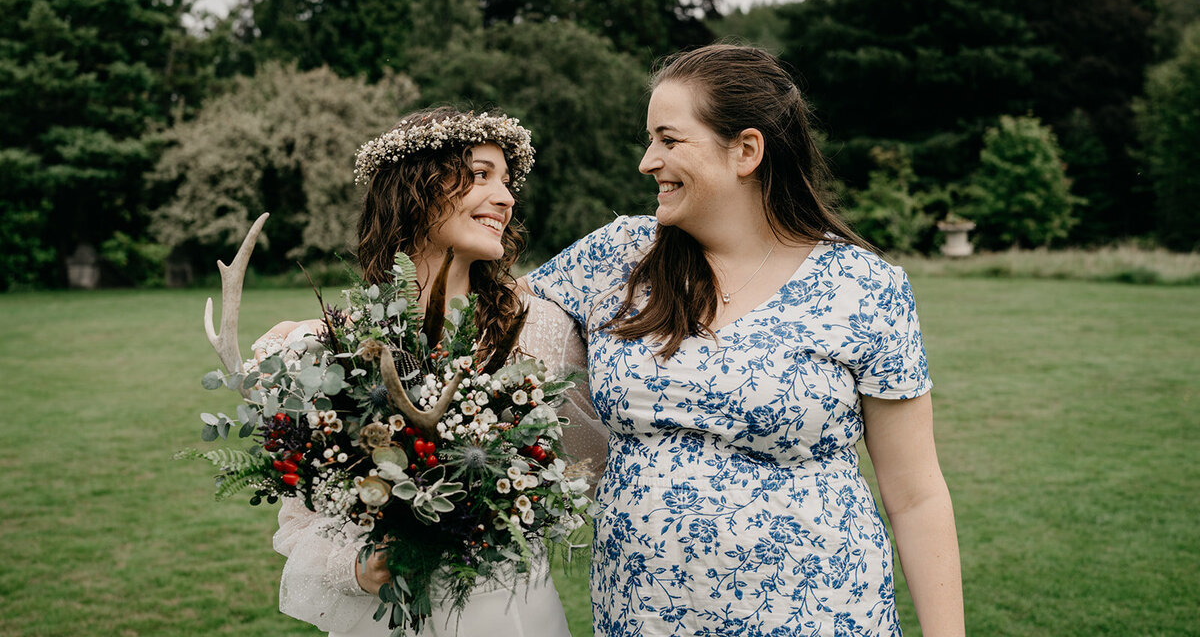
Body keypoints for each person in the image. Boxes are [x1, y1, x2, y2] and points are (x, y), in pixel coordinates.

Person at [522, 44, 964, 636]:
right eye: (649, 140)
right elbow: (491, 322)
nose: (647, 161)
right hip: (643, 620)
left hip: (819, 616)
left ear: (746, 150)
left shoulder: (863, 286)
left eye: (669, 139)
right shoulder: (619, 256)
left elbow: (915, 496)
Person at [258, 107, 605, 636]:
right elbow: (299, 520)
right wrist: (360, 569)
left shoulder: (542, 330)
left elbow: (589, 469)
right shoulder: (329, 349)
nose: (507, 198)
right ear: (415, 189)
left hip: (507, 614)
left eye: (507, 182)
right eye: (481, 174)